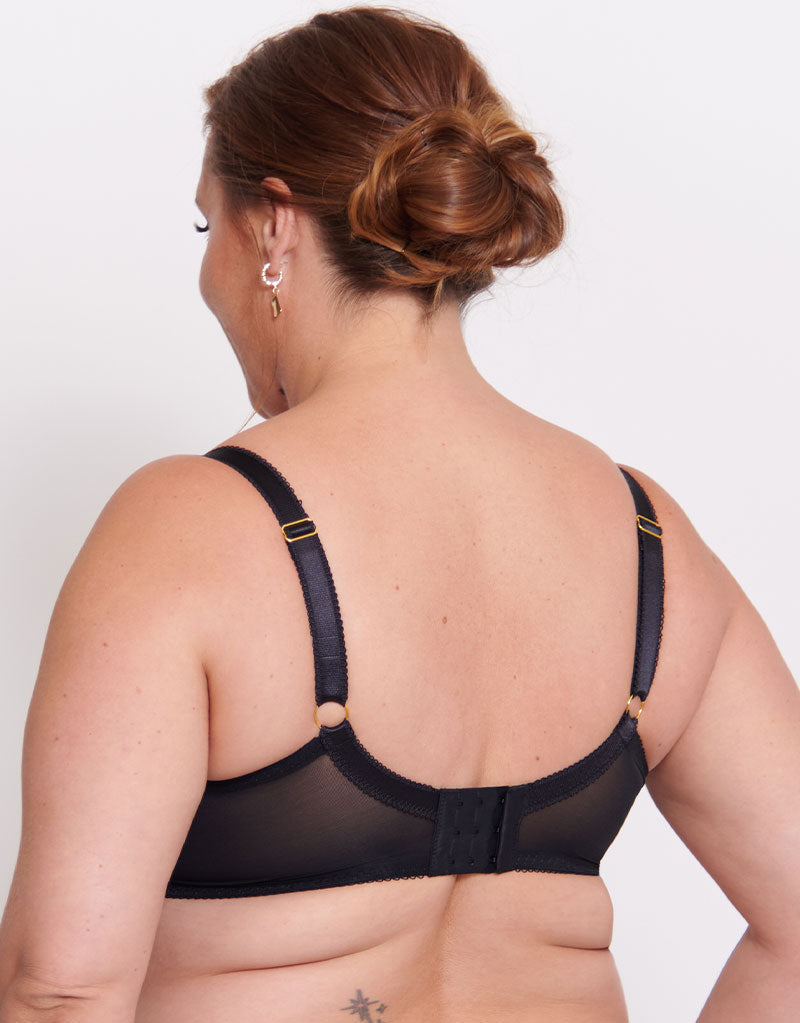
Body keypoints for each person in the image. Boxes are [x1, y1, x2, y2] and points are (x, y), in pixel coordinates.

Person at [1, 5, 798, 1021]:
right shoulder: (648, 538)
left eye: (209, 226)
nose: (207, 271)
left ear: (274, 225)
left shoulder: (188, 524)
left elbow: (60, 987)